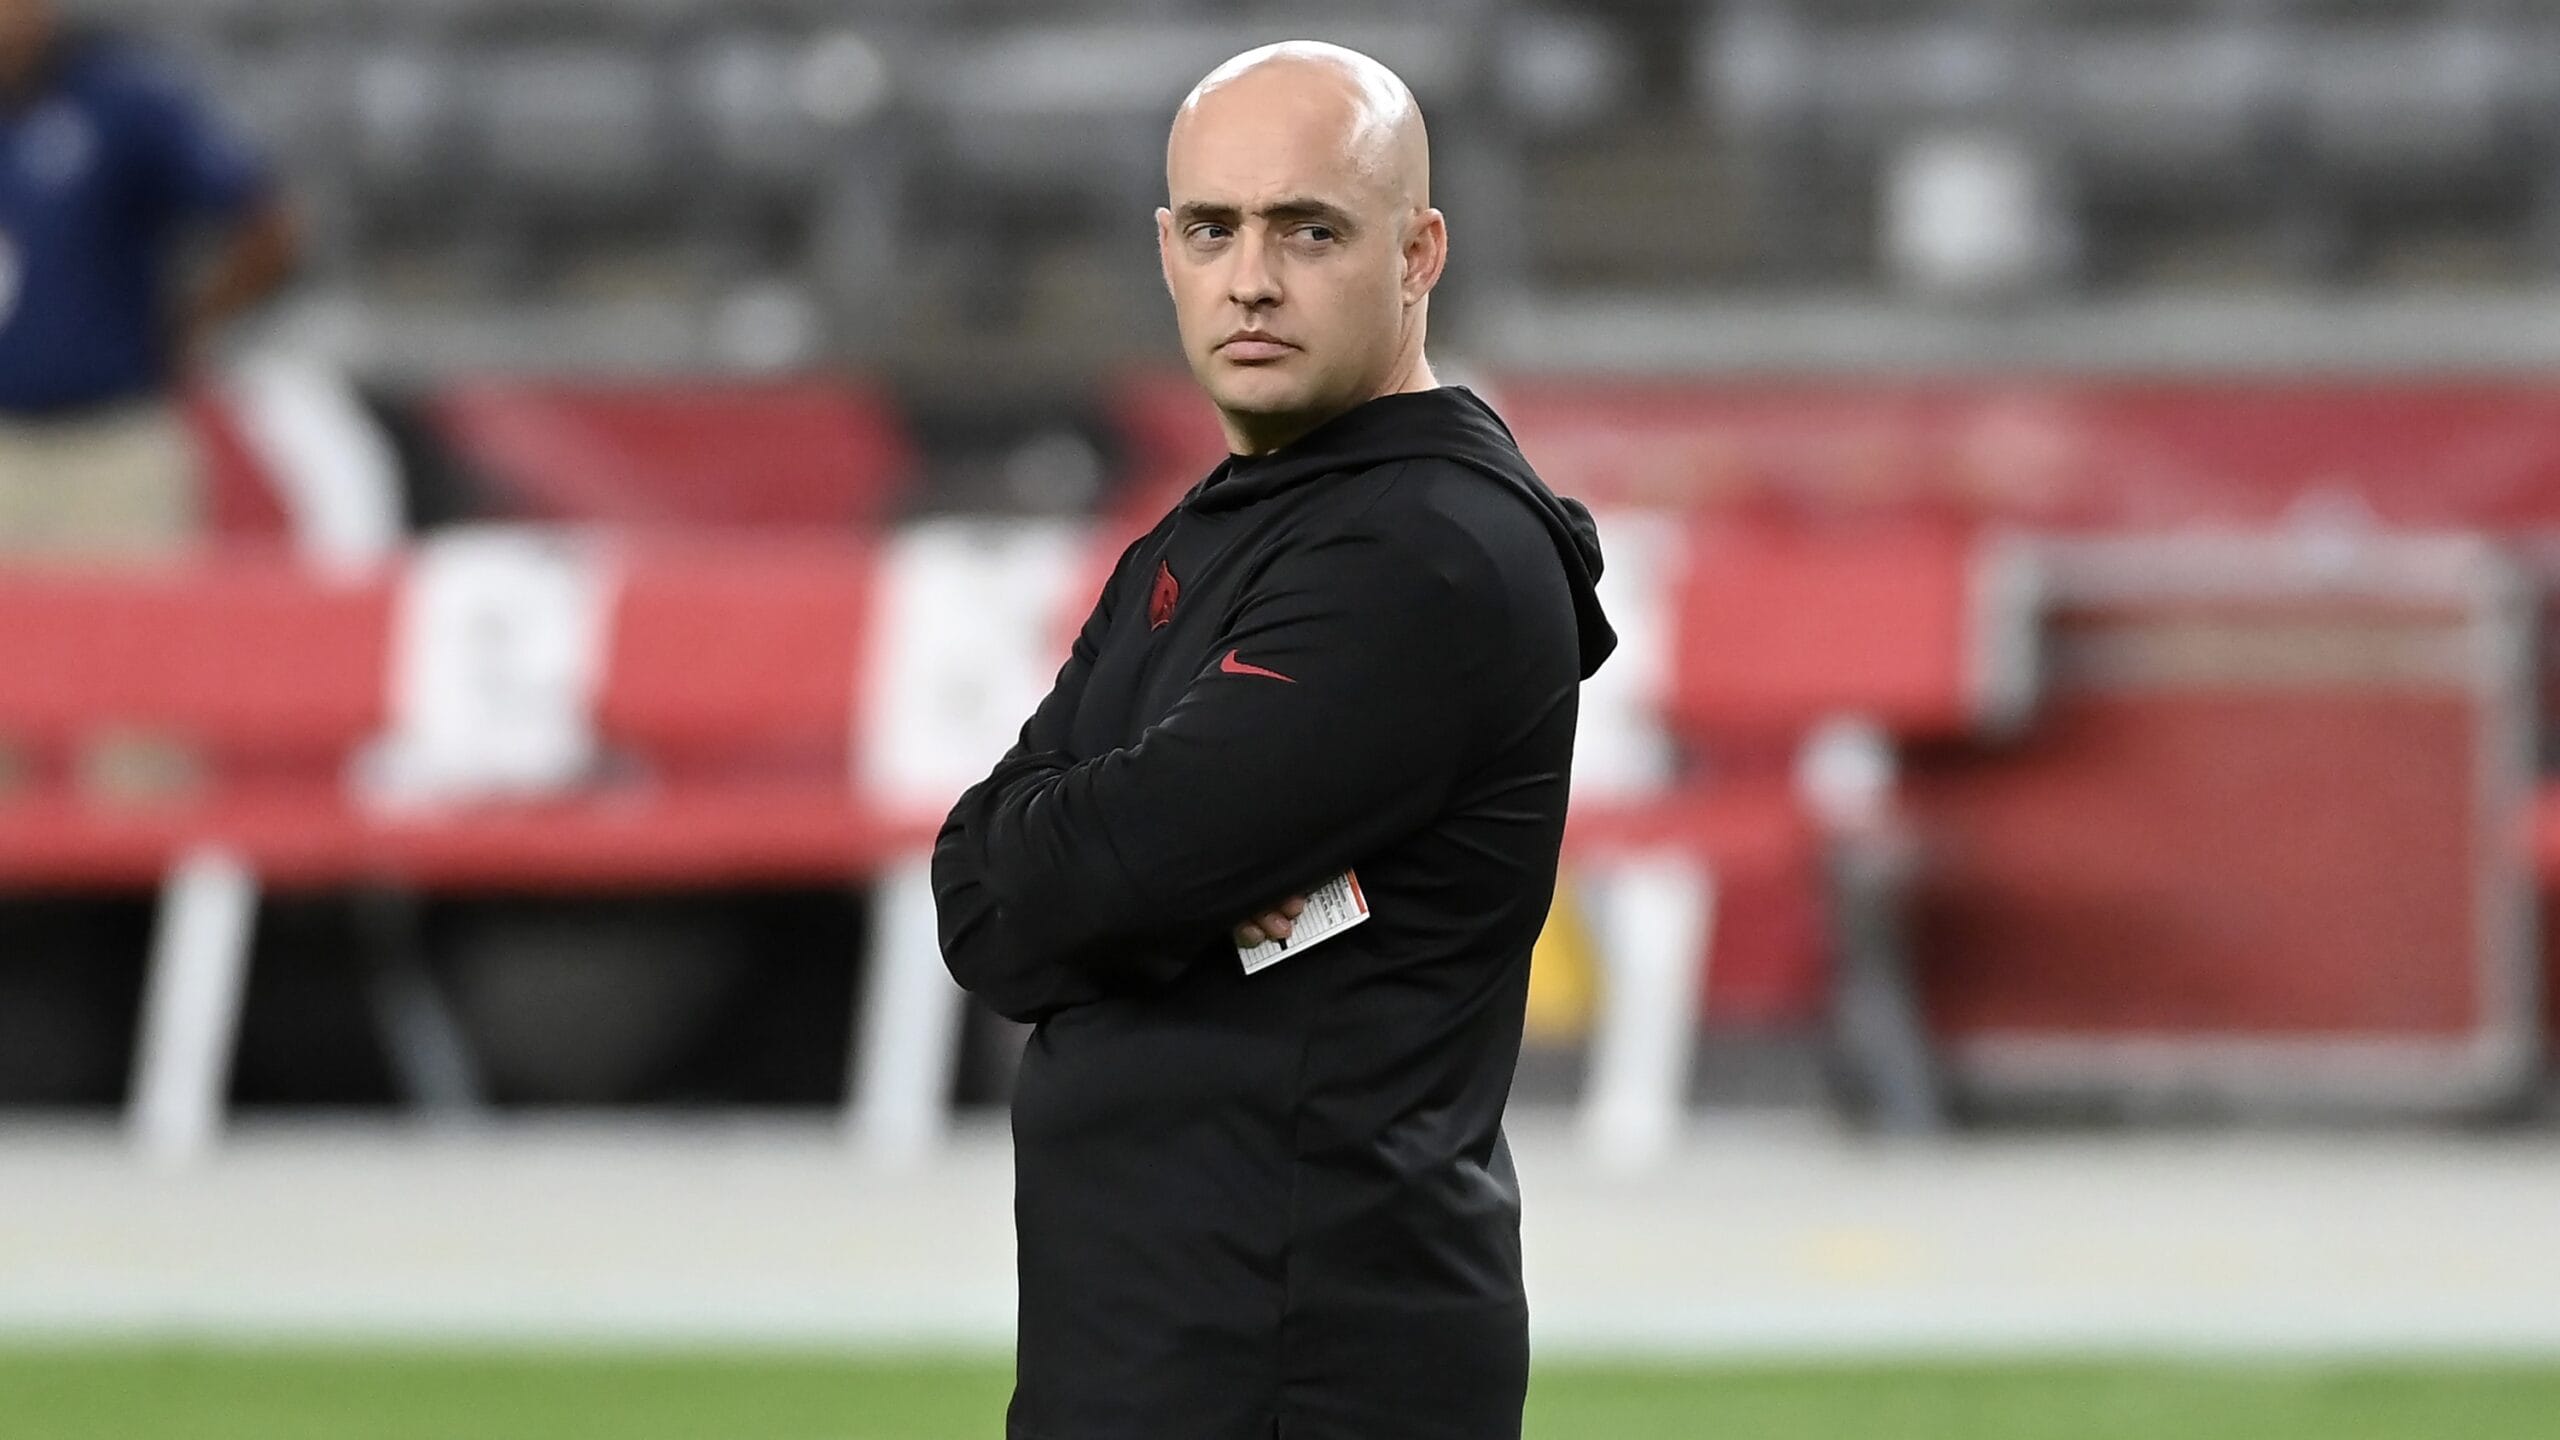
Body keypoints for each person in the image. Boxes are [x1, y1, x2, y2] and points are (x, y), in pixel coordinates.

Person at [931, 40, 1617, 1440]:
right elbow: (983, 899)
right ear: (1165, 250)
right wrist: (1107, 880)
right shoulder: (1223, 527)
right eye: (1211, 228)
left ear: (1419, 251)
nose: (1251, 277)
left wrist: (1094, 874)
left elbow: (1101, 867)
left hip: (1302, 1354)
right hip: (1158, 1334)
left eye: (1310, 229)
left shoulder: (1423, 551)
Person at [0, 0, 295, 558]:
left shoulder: (122, 101)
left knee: (129, 635)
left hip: (112, 446)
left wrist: (197, 318)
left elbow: (265, 224)